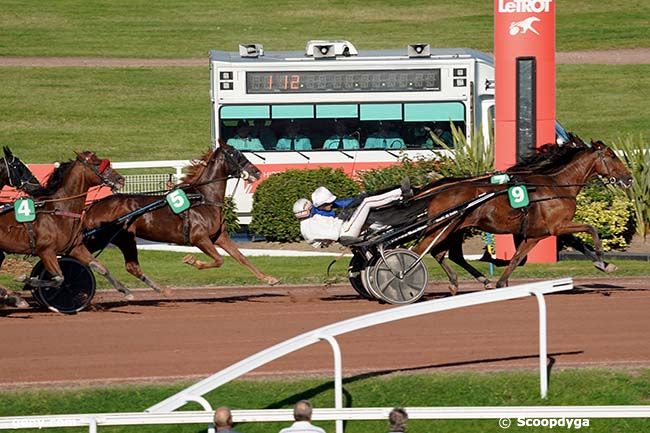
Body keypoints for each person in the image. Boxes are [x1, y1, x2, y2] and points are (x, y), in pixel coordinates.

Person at [293, 179, 412, 246]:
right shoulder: (309, 225)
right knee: (366, 203)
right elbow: (332, 237)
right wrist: (341, 218)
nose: (331, 204)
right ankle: (401, 193)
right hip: (346, 232)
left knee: (365, 203)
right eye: (327, 203)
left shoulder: (311, 220)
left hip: (346, 228)